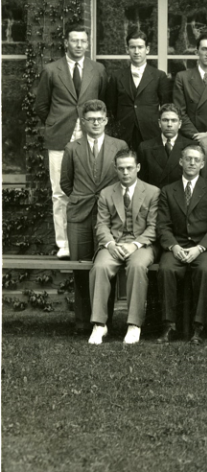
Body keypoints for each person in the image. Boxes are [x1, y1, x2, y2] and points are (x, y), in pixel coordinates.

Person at [36, 24, 108, 258]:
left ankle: (94, 242)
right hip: (60, 138)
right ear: (66, 43)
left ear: (88, 44)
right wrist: (56, 124)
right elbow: (41, 106)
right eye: (74, 41)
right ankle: (64, 244)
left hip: (90, 136)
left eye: (83, 41)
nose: (79, 45)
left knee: (93, 189)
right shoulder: (51, 70)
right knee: (59, 192)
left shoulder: (98, 70)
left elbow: (103, 102)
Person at [60, 100, 125, 330]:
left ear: (106, 120)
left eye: (99, 119)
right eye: (91, 119)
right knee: (80, 268)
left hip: (108, 217)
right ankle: (81, 321)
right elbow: (66, 183)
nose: (95, 123)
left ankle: (103, 320)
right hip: (79, 215)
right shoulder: (72, 148)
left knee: (106, 267)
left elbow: (122, 181)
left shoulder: (119, 146)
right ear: (83, 122)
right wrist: (83, 197)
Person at [88, 149, 160, 345]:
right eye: (121, 169)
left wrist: (135, 245)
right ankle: (100, 324)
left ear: (138, 167)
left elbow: (154, 227)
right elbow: (101, 225)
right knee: (100, 267)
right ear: (115, 169)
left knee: (137, 267)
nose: (125, 172)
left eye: (129, 168)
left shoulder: (152, 192)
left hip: (141, 244)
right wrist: (111, 244)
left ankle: (134, 324)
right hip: (114, 244)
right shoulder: (106, 193)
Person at [156, 143, 207, 344]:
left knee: (204, 270)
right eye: (188, 158)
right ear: (181, 161)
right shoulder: (168, 190)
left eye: (196, 160)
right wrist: (174, 247)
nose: (192, 162)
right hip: (177, 245)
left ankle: (198, 327)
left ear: (202, 164)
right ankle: (169, 326)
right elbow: (163, 226)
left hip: (204, 246)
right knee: (166, 269)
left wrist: (200, 248)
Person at [105, 30, 171, 152]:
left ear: (147, 49)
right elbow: (111, 108)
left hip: (150, 133)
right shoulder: (117, 76)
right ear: (127, 49)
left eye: (140, 47)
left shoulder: (159, 76)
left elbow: (166, 107)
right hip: (123, 134)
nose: (136, 51)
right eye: (132, 47)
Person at [137, 103, 188, 188]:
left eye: (174, 120)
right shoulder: (145, 148)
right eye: (165, 120)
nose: (169, 124)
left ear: (180, 124)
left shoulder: (190, 146)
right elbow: (142, 183)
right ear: (159, 123)